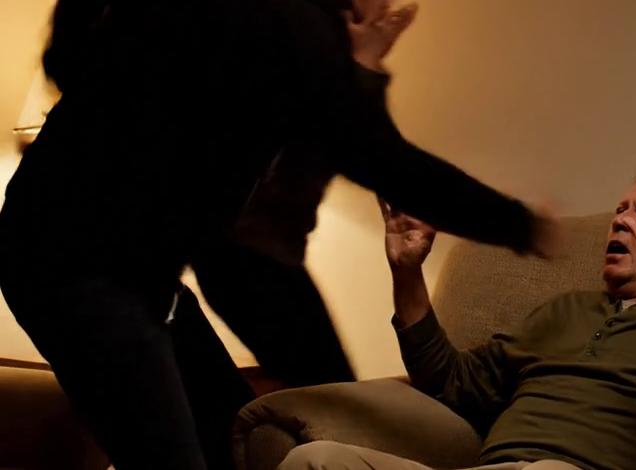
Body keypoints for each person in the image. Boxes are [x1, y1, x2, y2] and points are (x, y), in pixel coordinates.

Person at [0, 1, 558, 470]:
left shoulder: (274, 33)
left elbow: (256, 240)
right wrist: (523, 224)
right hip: (75, 268)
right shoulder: (293, 28)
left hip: (122, 268)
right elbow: (383, 163)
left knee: (229, 430)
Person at [277, 156, 636, 470]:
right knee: (314, 460)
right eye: (620, 210)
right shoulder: (566, 309)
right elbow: (452, 381)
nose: (620, 220)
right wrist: (407, 272)